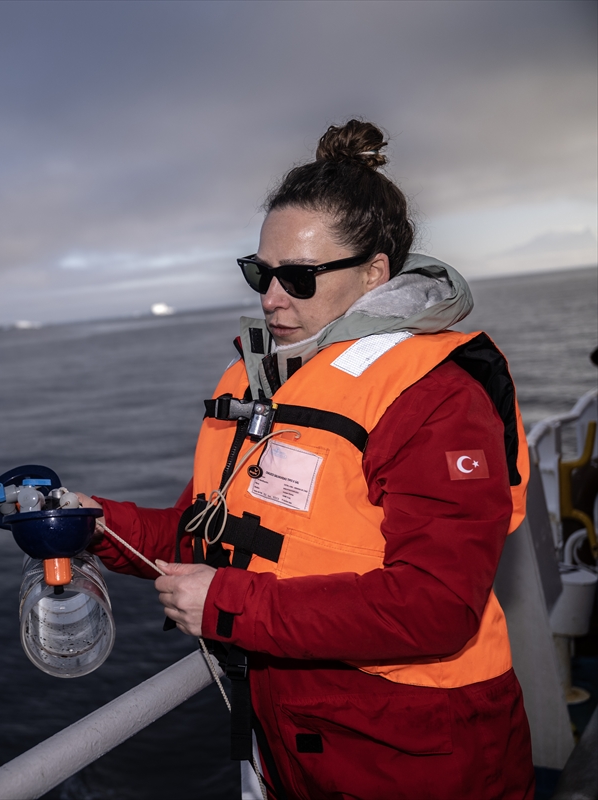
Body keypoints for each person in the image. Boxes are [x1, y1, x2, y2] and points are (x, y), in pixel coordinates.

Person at [76, 120, 535, 799]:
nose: (270, 297)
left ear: (375, 274)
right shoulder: (262, 382)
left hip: (420, 752)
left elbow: (437, 606)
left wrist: (228, 607)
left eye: (296, 276)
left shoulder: (434, 398)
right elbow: (202, 535)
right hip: (296, 737)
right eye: (261, 272)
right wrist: (95, 524)